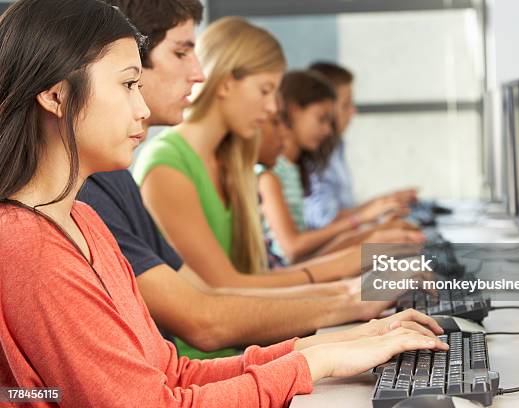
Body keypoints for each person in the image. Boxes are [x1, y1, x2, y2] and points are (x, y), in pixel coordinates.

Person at [0, 3, 448, 405]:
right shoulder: (28, 246)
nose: (141, 110)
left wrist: (331, 348)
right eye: (129, 85)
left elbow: (174, 373)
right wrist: (320, 358)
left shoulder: (85, 219)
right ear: (56, 95)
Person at [77, 0, 407, 361]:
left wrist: (349, 300)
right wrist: (349, 292)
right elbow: (209, 309)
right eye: (182, 52)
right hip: (207, 364)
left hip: (216, 362)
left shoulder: (119, 178)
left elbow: (209, 294)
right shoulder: (145, 172)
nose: (198, 73)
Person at [258, 70, 425, 265]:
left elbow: (308, 254)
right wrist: (361, 221)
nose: (328, 130)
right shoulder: (269, 177)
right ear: (294, 111)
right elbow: (294, 250)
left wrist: (373, 232)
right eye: (321, 119)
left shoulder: (293, 170)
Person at [304, 61, 419, 229]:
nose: (353, 111)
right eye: (346, 105)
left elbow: (341, 216)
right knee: (419, 253)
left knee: (419, 249)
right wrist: (372, 218)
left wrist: (382, 206)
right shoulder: (307, 158)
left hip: (347, 244)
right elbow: (323, 224)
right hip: (338, 249)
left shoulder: (337, 148)